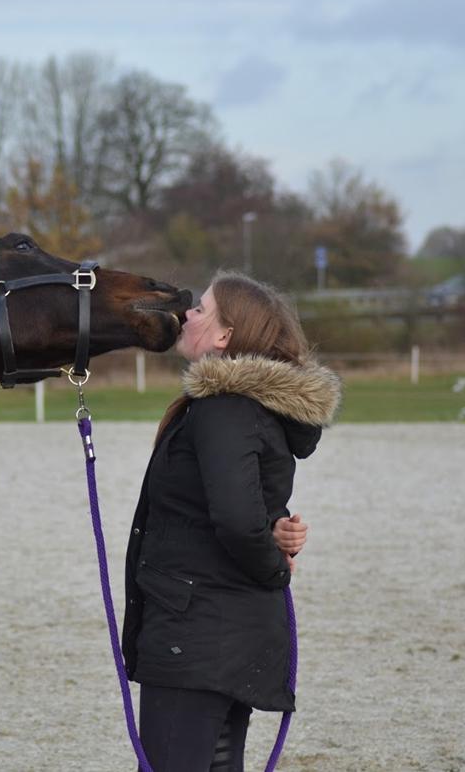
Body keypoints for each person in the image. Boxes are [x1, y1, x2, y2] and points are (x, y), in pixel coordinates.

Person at [122, 271, 342, 772]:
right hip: (216, 629)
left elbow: (237, 520)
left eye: (201, 308)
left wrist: (273, 564)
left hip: (196, 632)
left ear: (225, 337)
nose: (188, 313)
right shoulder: (243, 408)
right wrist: (276, 530)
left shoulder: (223, 409)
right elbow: (251, 503)